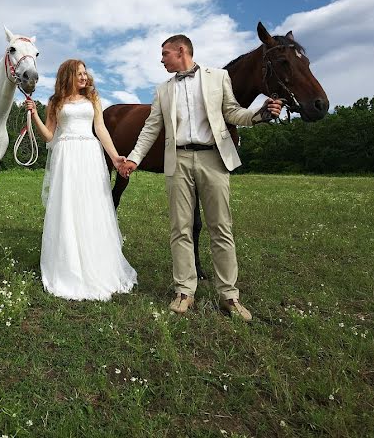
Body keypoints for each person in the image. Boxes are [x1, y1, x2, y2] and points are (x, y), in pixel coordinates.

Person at [119, 34, 281, 321]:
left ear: (181, 51)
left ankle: (229, 296)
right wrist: (134, 158)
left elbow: (233, 113)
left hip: (213, 159)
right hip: (178, 160)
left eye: (165, 53)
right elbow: (151, 128)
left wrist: (259, 115)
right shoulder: (162, 90)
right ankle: (184, 292)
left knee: (221, 228)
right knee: (179, 228)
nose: (161, 59)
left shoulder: (218, 78)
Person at [25, 59, 138, 300]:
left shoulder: (93, 99)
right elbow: (48, 136)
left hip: (89, 153)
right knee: (68, 205)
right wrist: (34, 114)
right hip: (66, 155)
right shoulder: (55, 102)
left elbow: (101, 129)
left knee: (91, 205)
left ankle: (97, 263)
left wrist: (116, 157)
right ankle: (68, 265)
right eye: (79, 74)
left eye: (85, 73)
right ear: (68, 75)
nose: (85, 77)